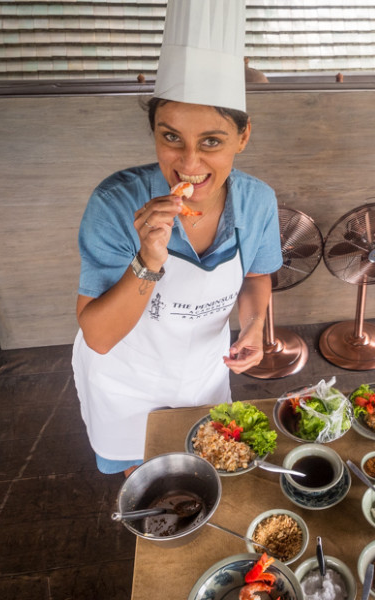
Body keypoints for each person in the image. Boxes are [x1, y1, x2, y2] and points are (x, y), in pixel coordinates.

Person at [72, 0, 282, 475]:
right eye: (171, 138)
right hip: (127, 378)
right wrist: (148, 256)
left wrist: (251, 326)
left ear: (243, 136)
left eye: (212, 141)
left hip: (202, 374)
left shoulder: (256, 202)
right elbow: (100, 337)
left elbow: (256, 277)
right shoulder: (115, 202)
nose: (188, 164)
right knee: (145, 479)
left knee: (205, 465)